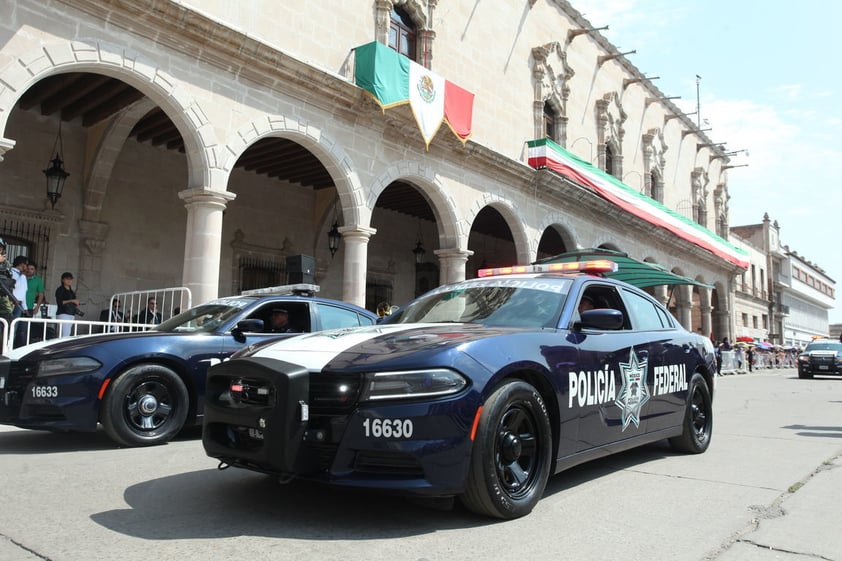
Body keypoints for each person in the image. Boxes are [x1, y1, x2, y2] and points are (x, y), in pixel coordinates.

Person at [55, 271, 81, 337]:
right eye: (67, 279)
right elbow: (60, 302)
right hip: (63, 313)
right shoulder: (60, 290)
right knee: (65, 334)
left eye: (70, 279)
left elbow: (73, 302)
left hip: (71, 313)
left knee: (67, 333)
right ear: (62, 280)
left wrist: (76, 303)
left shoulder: (71, 291)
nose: (69, 281)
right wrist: (72, 301)